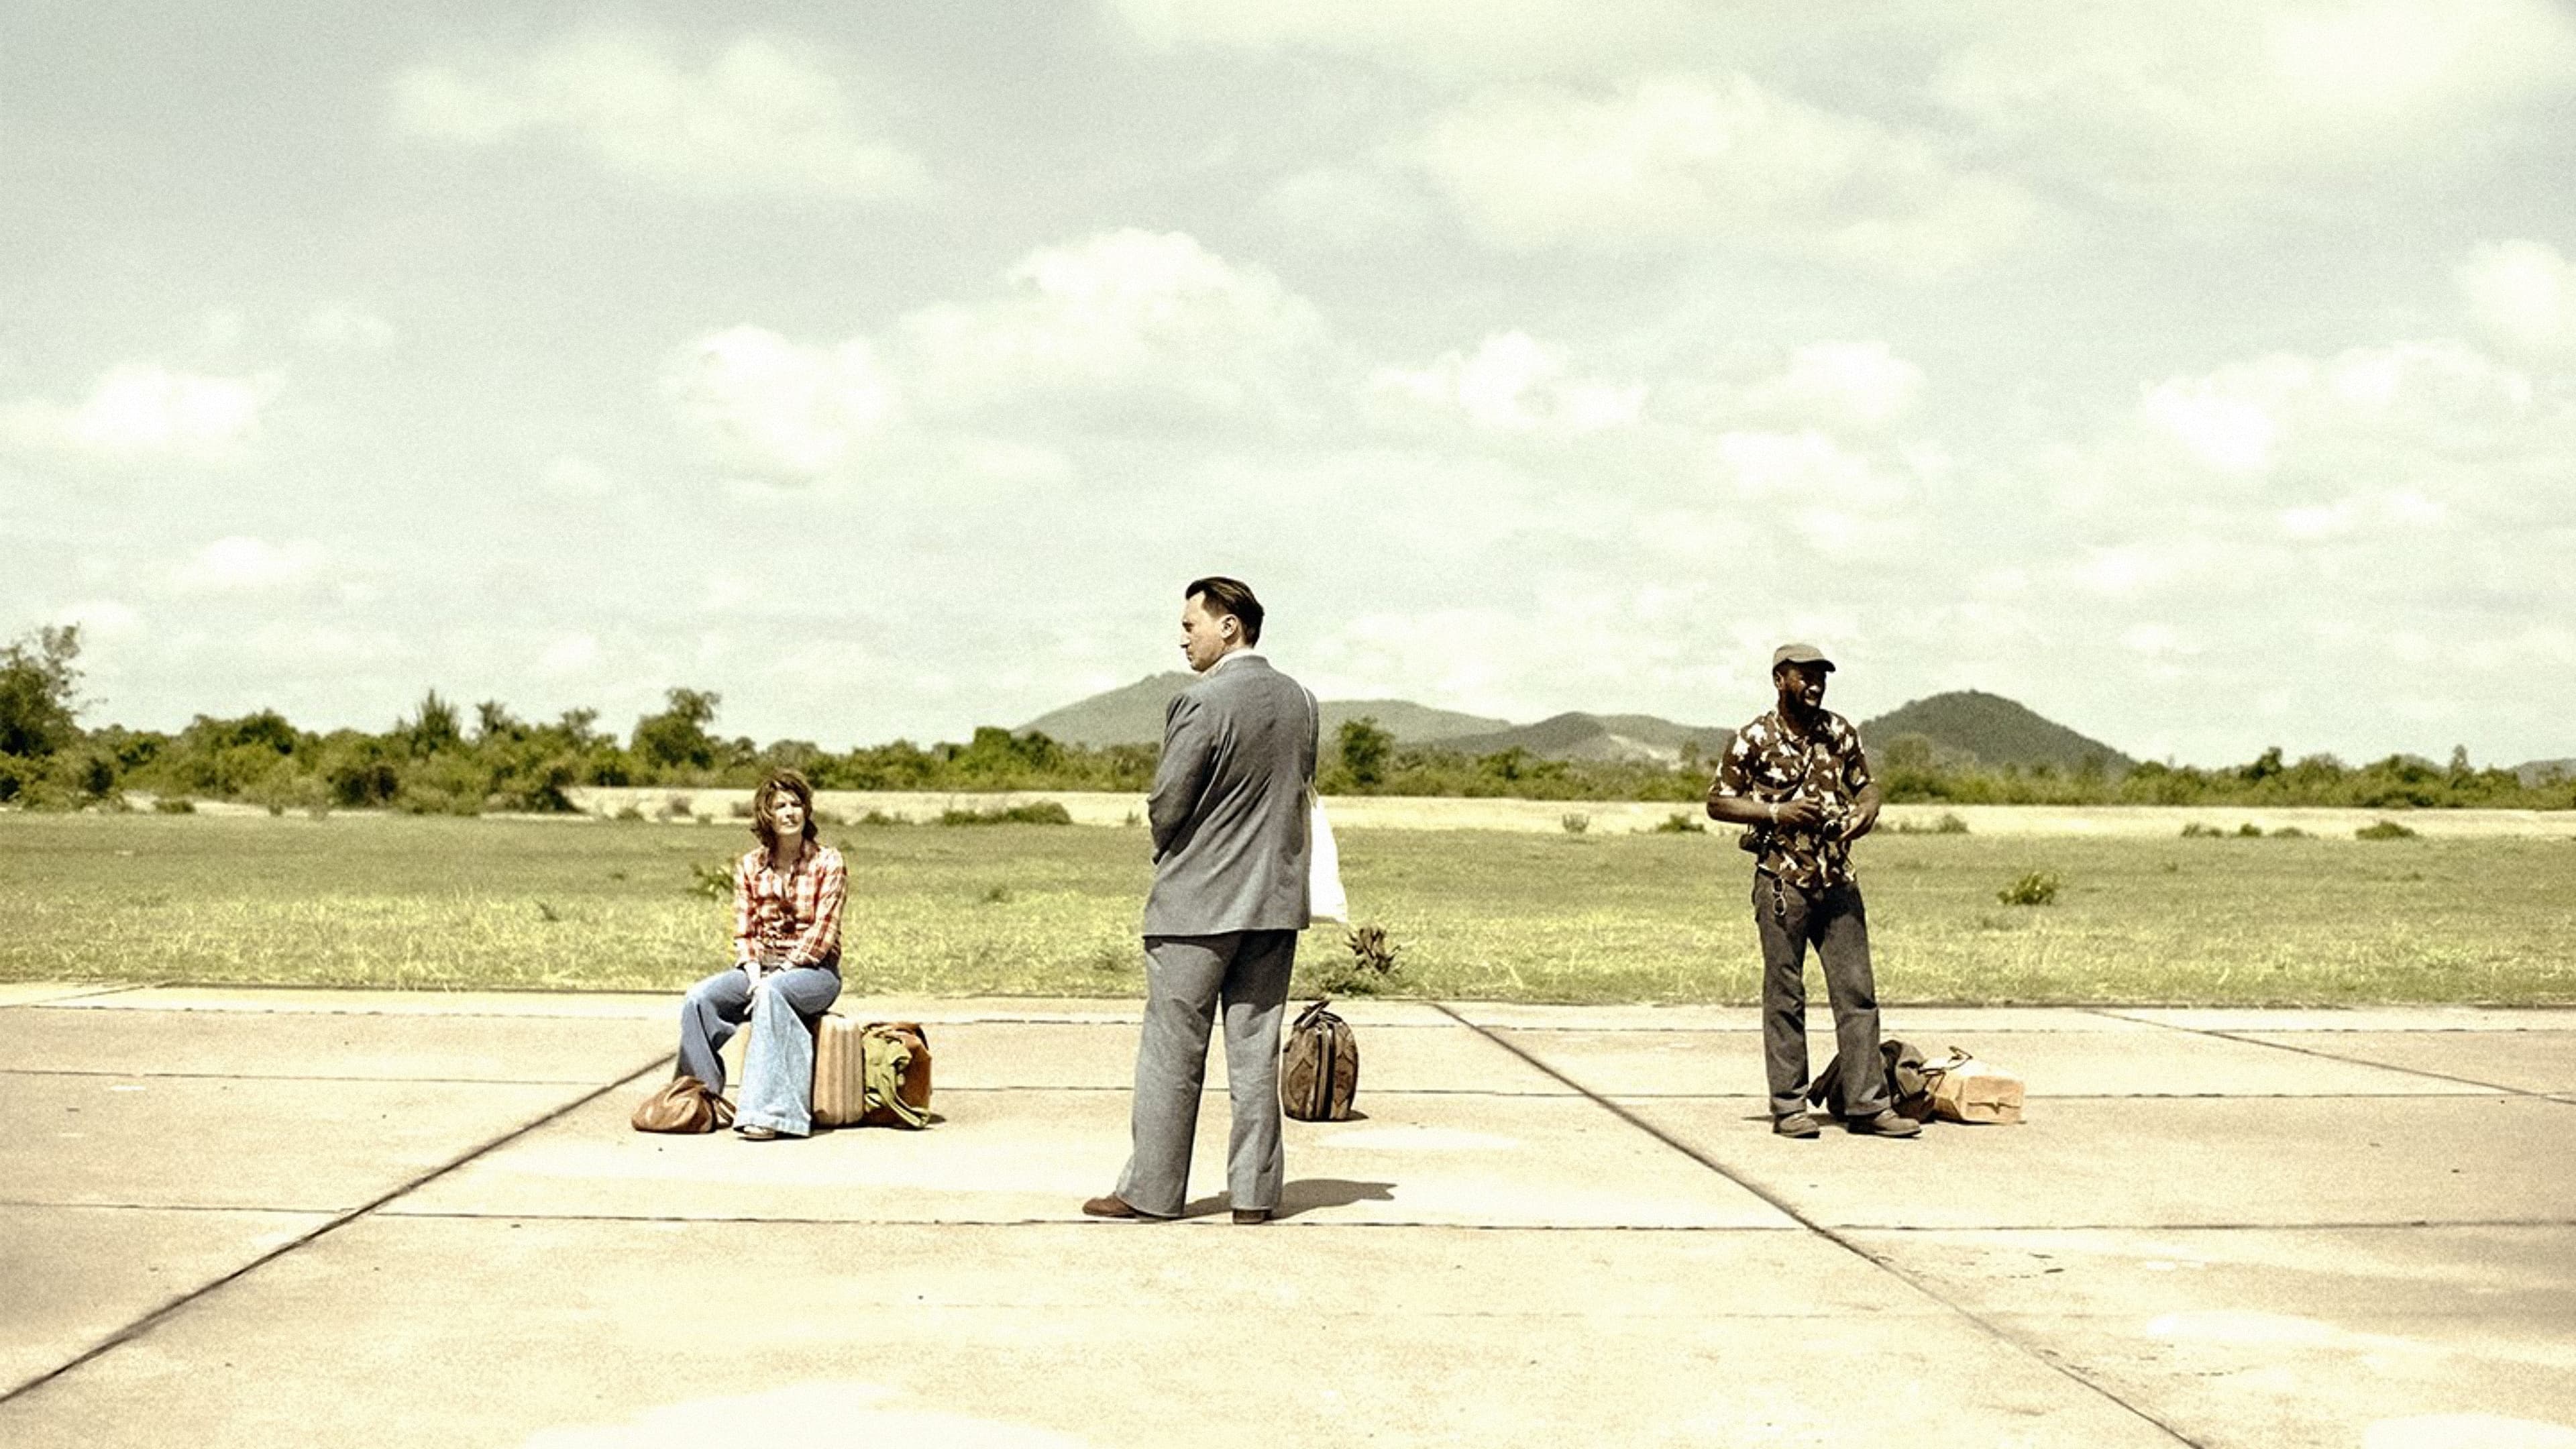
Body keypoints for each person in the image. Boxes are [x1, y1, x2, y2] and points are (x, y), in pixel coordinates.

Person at [1085, 576, 1320, 1225]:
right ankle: (1254, 1197)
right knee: (1256, 1052)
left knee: (1173, 1052)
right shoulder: (1302, 702)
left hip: (1196, 905)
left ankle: (1152, 1192)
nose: (1183, 638)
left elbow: (1169, 801)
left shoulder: (1199, 702)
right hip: (1274, 902)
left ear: (1229, 626)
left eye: (1191, 625)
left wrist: (1170, 851)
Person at [1704, 644, 1920, 1140]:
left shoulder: (1839, 731)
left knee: (1857, 994)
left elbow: (1866, 785)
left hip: (1837, 879)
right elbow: (1718, 802)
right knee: (1785, 995)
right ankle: (1789, 1107)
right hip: (1783, 882)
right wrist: (1777, 813)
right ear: (1780, 680)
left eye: (1822, 676)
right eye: (1805, 676)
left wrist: (1868, 810)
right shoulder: (1753, 738)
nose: (1816, 685)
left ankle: (1868, 1106)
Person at [673, 768, 845, 1140]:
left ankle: (772, 1114)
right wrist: (753, 975)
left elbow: (823, 933)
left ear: (807, 810)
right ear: (766, 815)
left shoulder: (829, 862)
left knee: (772, 992)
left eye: (796, 804)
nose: (789, 812)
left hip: (815, 972)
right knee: (700, 999)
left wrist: (778, 975)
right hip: (759, 969)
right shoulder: (750, 866)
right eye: (780, 806)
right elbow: (745, 930)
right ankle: (699, 1103)